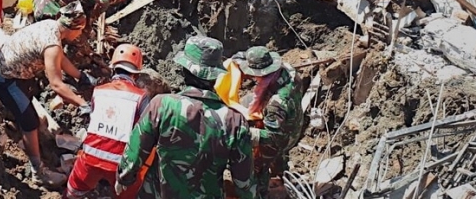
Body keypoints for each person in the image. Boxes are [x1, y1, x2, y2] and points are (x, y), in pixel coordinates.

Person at [115, 36, 256, 199]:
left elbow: (136, 149)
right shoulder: (235, 121)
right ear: (216, 75)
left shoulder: (162, 105)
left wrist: (124, 178)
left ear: (184, 70)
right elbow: (244, 181)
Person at [0, 2, 98, 187]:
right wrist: (83, 105)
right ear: (74, 28)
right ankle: (37, 172)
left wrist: (81, 76)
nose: (80, 35)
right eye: (80, 30)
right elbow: (56, 85)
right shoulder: (52, 45)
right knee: (30, 122)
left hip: (16, 74)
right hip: (6, 80)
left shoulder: (51, 26)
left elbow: (60, 58)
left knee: (31, 116)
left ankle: (34, 144)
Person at [64, 44, 150, 199]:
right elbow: (146, 134)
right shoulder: (141, 98)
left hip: (90, 158)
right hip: (121, 167)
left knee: (72, 193)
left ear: (113, 69)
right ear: (136, 74)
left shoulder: (99, 91)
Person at [234, 46, 304, 199]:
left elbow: (273, 137)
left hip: (284, 135)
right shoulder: (288, 70)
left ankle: (262, 191)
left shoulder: (276, 104)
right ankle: (281, 171)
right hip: (295, 119)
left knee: (259, 162)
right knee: (278, 157)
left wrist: (245, 133)